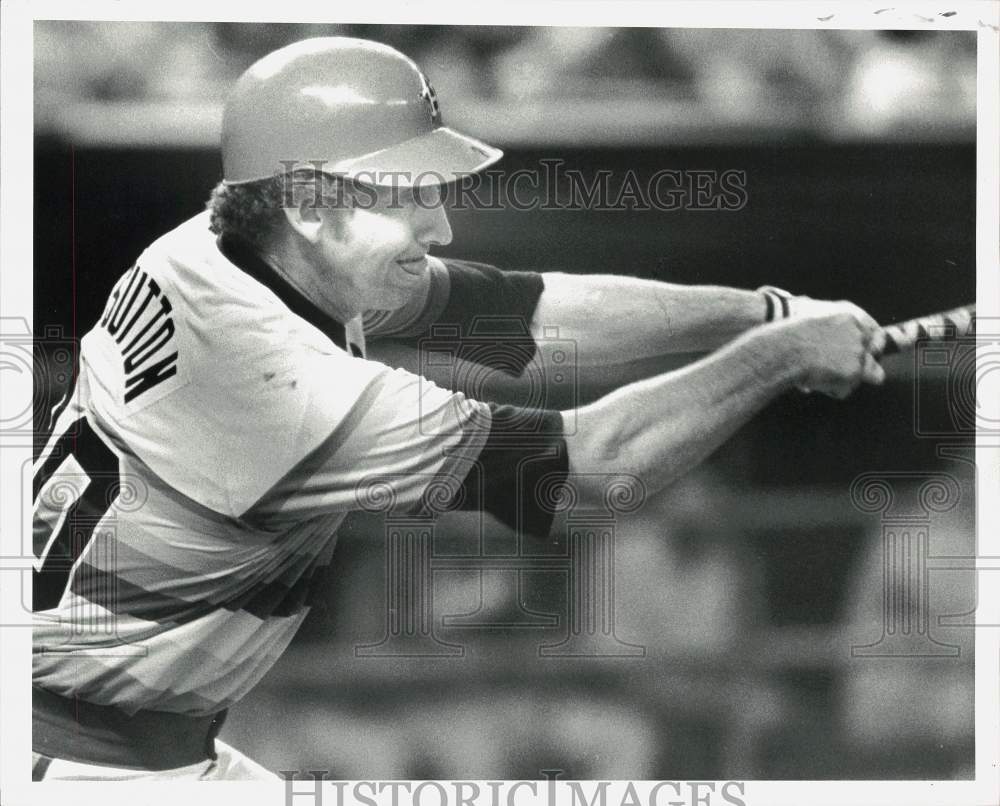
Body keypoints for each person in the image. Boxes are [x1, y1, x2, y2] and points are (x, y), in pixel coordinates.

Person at [30, 36, 885, 781]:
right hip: (81, 761)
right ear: (307, 205)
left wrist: (764, 309)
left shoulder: (211, 248)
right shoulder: (290, 391)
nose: (439, 227)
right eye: (408, 195)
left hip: (116, 733)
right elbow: (596, 465)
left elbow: (523, 312)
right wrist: (775, 361)